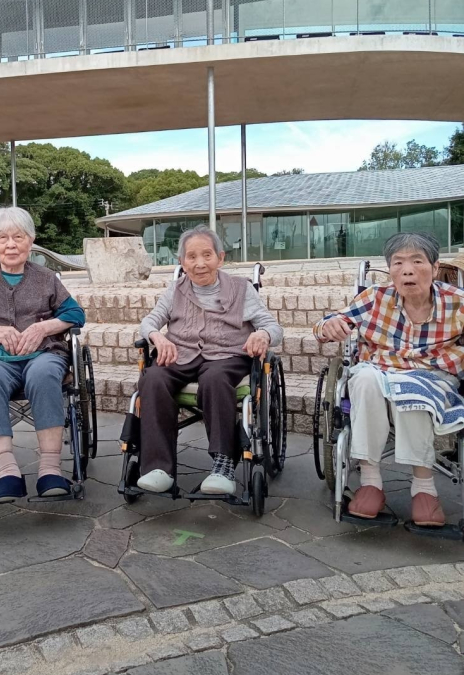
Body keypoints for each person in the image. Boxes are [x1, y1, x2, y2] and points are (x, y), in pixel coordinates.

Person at [314, 231, 464, 527]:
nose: (407, 270)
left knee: (413, 390)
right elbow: (327, 323)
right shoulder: (375, 298)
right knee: (362, 379)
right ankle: (370, 483)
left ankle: (424, 488)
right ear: (390, 270)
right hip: (378, 371)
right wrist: (330, 325)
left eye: (417, 261)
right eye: (398, 263)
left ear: (435, 268)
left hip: (432, 376)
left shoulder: (456, 302)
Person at [0, 206, 85, 502]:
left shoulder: (45, 277)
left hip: (43, 354)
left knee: (45, 374)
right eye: (3, 238)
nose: (11, 245)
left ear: (31, 240)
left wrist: (43, 327)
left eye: (18, 237)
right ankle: (7, 471)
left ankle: (50, 470)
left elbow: (75, 314)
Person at [136, 225, 283, 494]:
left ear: (220, 258)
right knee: (153, 377)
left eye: (207, 255)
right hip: (181, 354)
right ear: (182, 262)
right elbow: (149, 322)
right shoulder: (175, 290)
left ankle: (223, 465)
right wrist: (157, 336)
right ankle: (158, 468)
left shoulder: (241, 289)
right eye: (191, 257)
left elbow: (273, 327)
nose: (199, 263)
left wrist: (262, 334)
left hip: (227, 356)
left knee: (215, 378)